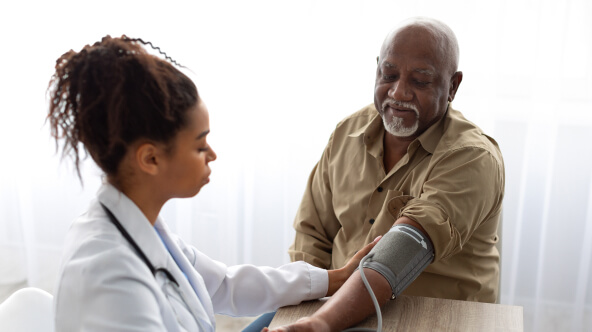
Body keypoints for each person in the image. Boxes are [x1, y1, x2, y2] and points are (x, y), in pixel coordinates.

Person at [47, 35, 380, 332]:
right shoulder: (109, 276)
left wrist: (334, 278)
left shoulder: (140, 225)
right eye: (199, 145)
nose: (213, 154)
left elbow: (224, 285)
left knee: (295, 315)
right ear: (150, 159)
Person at [273, 17, 505, 331]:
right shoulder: (348, 132)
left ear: (453, 86)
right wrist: (308, 306)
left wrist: (320, 323)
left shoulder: (472, 156)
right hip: (332, 305)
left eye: (420, 81)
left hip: (432, 318)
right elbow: (312, 234)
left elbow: (405, 249)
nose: (399, 92)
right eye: (389, 74)